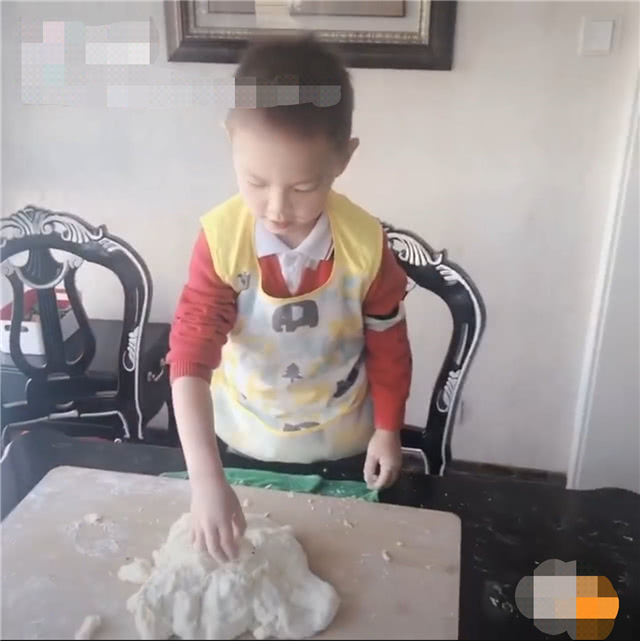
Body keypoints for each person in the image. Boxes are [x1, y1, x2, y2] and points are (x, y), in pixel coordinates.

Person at [167, 34, 412, 563]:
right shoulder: (221, 242)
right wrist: (205, 479)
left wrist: (388, 430)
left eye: (303, 188)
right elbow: (189, 355)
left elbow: (390, 348)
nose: (277, 208)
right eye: (255, 182)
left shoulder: (366, 246)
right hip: (241, 444)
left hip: (343, 446)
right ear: (231, 139)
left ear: (343, 159)